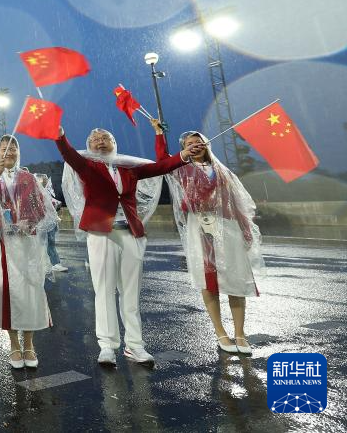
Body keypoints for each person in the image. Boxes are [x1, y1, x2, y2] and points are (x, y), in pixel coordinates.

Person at [58, 120, 199, 366]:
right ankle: (107, 346)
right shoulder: (87, 165)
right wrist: (59, 135)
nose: (100, 141)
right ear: (88, 146)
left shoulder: (129, 167)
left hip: (130, 232)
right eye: (95, 139)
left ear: (115, 144)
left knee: (130, 293)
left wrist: (180, 152)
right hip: (102, 233)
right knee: (104, 291)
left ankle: (135, 346)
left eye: (106, 138)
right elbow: (68, 153)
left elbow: (162, 166)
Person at [158, 129, 264, 356]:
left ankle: (240, 333)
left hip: (228, 227)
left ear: (207, 144)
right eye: (189, 142)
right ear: (184, 148)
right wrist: (159, 134)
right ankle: (220, 331)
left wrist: (246, 228)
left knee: (236, 279)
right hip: (201, 228)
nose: (195, 144)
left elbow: (236, 200)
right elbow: (163, 163)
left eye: (199, 141)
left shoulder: (222, 171)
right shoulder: (183, 169)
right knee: (209, 280)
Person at [0, 136, 57, 368]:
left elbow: (41, 208)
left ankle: (29, 344)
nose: (9, 151)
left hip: (27, 242)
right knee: (7, 293)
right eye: (4, 148)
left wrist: (31, 223)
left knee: (30, 292)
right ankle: (14, 345)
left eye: (13, 147)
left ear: (19, 152)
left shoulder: (28, 177)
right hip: (3, 244)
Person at [34, 174, 68, 272]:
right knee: (45, 244)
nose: (44, 181)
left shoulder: (47, 192)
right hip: (43, 222)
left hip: (49, 222)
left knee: (49, 243)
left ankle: (52, 263)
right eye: (42, 180)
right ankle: (53, 263)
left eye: (45, 180)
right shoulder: (37, 192)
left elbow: (51, 206)